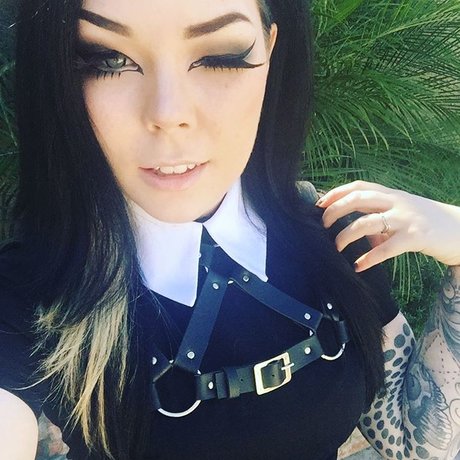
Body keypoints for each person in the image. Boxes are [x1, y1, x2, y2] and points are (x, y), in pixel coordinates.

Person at [0, 0, 459, 459]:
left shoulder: (332, 234)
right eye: (108, 59)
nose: (168, 113)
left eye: (219, 56)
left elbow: (411, 439)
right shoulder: (30, 293)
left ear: (269, 52)